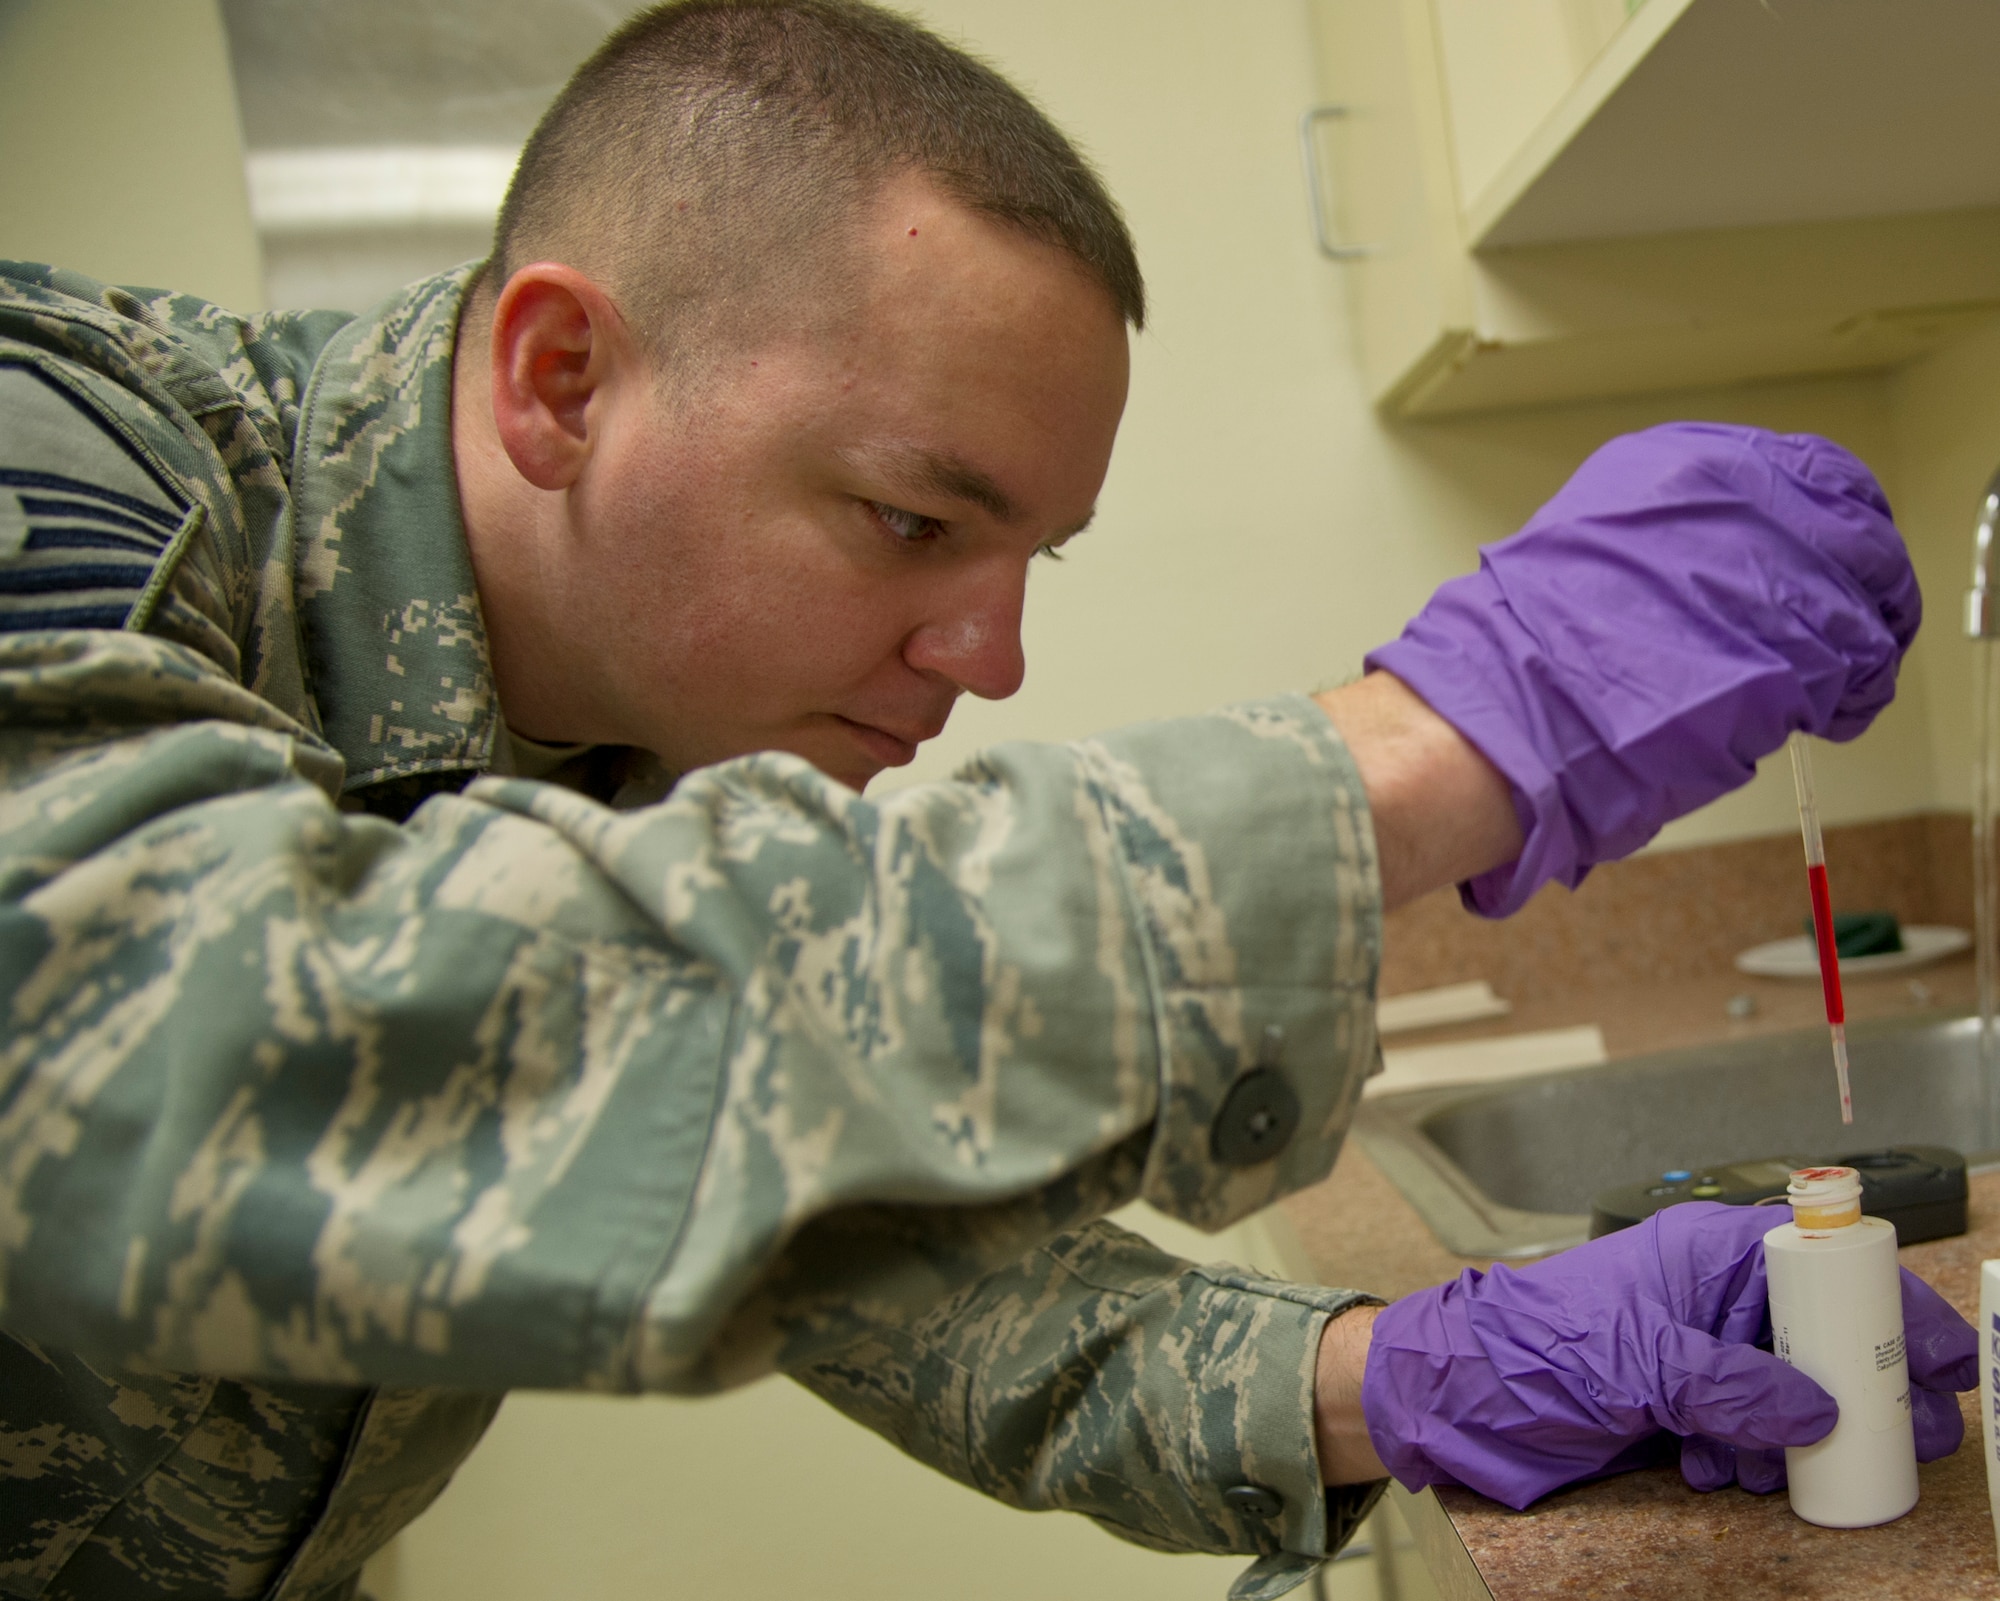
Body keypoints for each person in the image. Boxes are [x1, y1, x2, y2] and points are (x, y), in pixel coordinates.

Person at [0, 2, 1971, 1597]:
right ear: (561, 376)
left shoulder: (646, 733)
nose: (993, 658)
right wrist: (1416, 754)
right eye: (907, 518)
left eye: (1028, 558)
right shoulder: (64, 444)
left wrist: (1392, 1382)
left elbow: (857, 1249)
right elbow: (148, 1048)